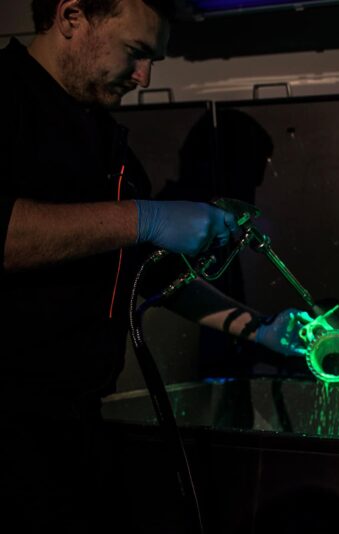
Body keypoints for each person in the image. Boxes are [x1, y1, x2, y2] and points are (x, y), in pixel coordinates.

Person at [0, 0, 309, 530]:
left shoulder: (102, 135)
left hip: (74, 423)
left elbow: (151, 273)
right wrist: (142, 218)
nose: (143, 77)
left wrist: (262, 332)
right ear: (72, 17)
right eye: (136, 53)